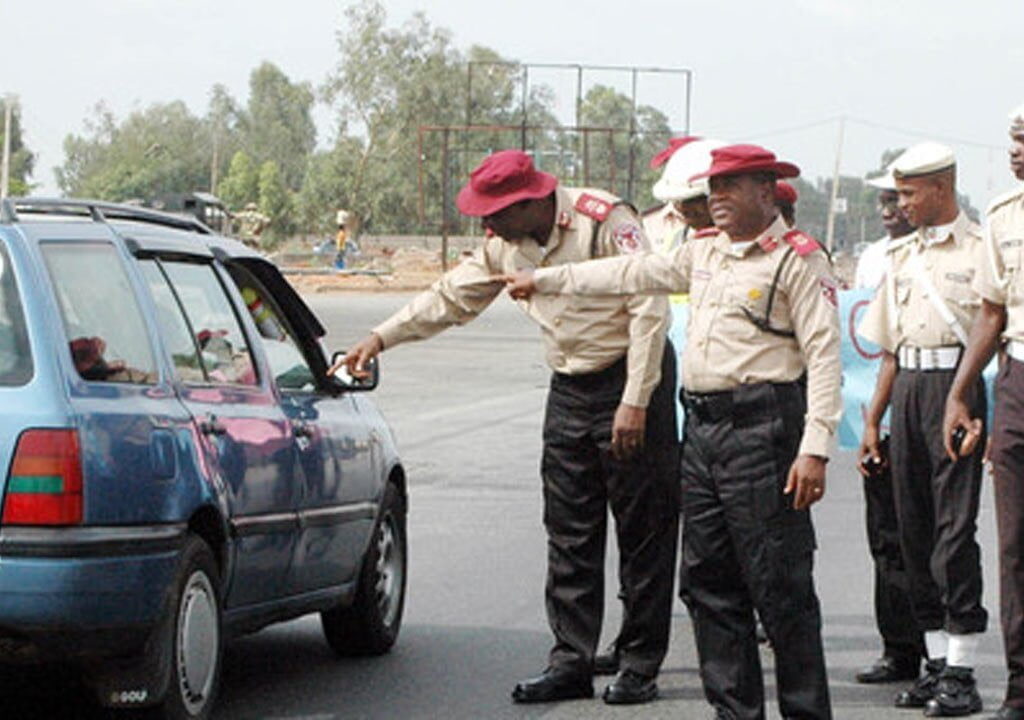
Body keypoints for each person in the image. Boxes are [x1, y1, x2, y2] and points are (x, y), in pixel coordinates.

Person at [501, 143, 840, 719]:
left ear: (765, 190)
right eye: (713, 189)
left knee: (779, 590)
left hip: (763, 430)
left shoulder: (796, 260)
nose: (717, 200)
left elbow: (825, 357)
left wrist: (815, 449)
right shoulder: (703, 251)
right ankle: (735, 712)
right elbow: (633, 270)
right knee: (709, 586)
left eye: (730, 188)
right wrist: (551, 280)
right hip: (703, 431)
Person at [331, 150, 680, 705]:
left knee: (644, 531)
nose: (484, 225)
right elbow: (450, 298)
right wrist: (380, 337)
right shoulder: (504, 243)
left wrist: (635, 401)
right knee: (569, 533)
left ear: (531, 201)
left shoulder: (605, 217)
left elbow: (649, 308)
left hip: (633, 380)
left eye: (493, 213)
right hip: (569, 387)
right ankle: (571, 659)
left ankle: (639, 661)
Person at [857, 141, 988, 717]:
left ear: (941, 186)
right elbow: (888, 351)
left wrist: (970, 401)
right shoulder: (901, 256)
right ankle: (935, 663)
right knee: (913, 533)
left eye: (909, 192)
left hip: (956, 391)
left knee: (953, 535)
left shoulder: (982, 250)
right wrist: (871, 420)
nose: (901, 203)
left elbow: (993, 327)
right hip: (907, 390)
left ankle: (963, 669)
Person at [594, 136, 725, 678]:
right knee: (647, 517)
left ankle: (715, 640)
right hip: (663, 386)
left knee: (705, 538)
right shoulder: (654, 228)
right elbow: (630, 281)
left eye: (690, 200)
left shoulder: (756, 245)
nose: (681, 212)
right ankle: (635, 640)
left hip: (719, 395)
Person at [943, 102, 1024, 720]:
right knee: (1016, 545)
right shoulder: (1002, 219)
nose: (1016, 150)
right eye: (1013, 139)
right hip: (1019, 381)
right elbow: (991, 314)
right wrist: (960, 391)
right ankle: (1021, 687)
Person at [852, 160, 925, 686]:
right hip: (878, 410)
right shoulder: (872, 259)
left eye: (897, 198)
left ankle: (941, 651)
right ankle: (898, 648)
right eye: (882, 200)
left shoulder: (946, 254)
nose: (888, 210)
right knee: (886, 536)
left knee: (930, 535)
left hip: (931, 408)